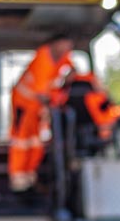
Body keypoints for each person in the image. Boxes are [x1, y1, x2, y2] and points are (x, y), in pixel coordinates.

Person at [8, 35, 75, 192]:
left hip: (36, 109)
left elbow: (72, 70)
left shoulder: (63, 58)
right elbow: (41, 92)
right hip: (23, 105)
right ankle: (18, 179)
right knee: (21, 141)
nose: (67, 49)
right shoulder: (42, 59)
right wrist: (52, 106)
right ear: (55, 43)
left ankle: (30, 176)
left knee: (36, 141)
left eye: (70, 46)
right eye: (65, 44)